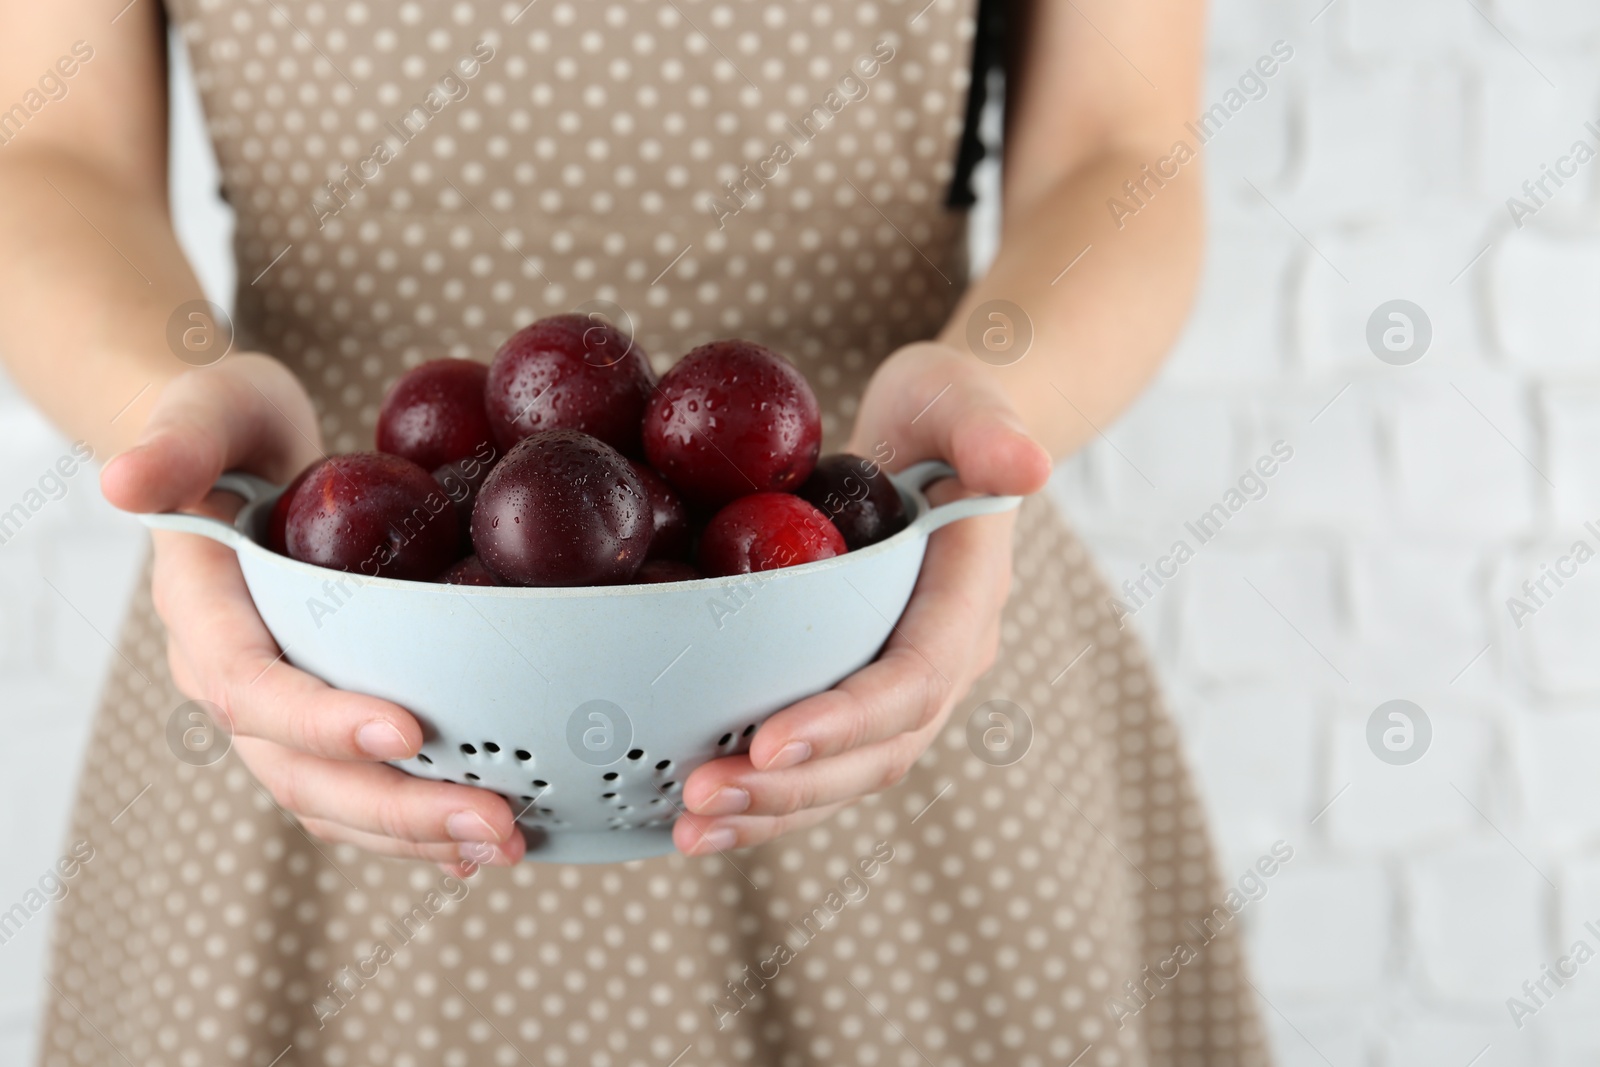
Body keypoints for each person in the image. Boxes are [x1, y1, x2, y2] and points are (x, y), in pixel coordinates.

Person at [4, 0, 1270, 1062]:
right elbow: (47, 154)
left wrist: (993, 402)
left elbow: (1122, 147)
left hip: (879, 618)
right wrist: (164, 415)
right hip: (309, 652)